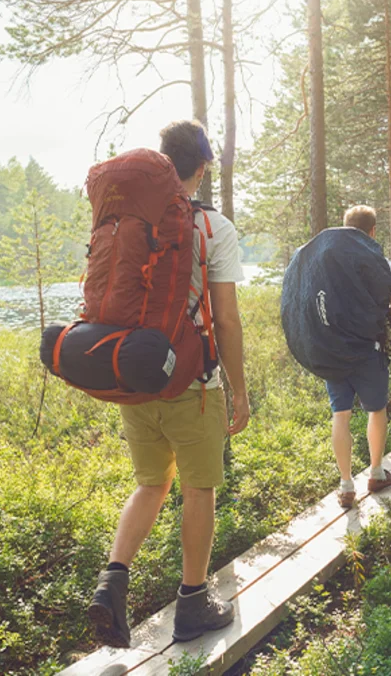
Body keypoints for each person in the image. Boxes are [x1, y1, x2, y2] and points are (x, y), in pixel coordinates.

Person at [88, 121, 251, 647]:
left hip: (134, 375)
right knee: (197, 486)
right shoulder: (213, 227)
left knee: (151, 484)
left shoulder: (129, 219)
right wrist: (240, 389)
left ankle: (112, 580)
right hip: (191, 382)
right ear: (201, 168)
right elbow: (225, 320)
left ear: (161, 162)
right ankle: (193, 601)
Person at [328, 206, 391, 509]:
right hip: (368, 351)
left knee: (341, 414)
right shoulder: (380, 261)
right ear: (373, 231)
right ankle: (375, 472)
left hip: (333, 351)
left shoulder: (329, 261)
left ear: (343, 228)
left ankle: (346, 485)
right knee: (376, 410)